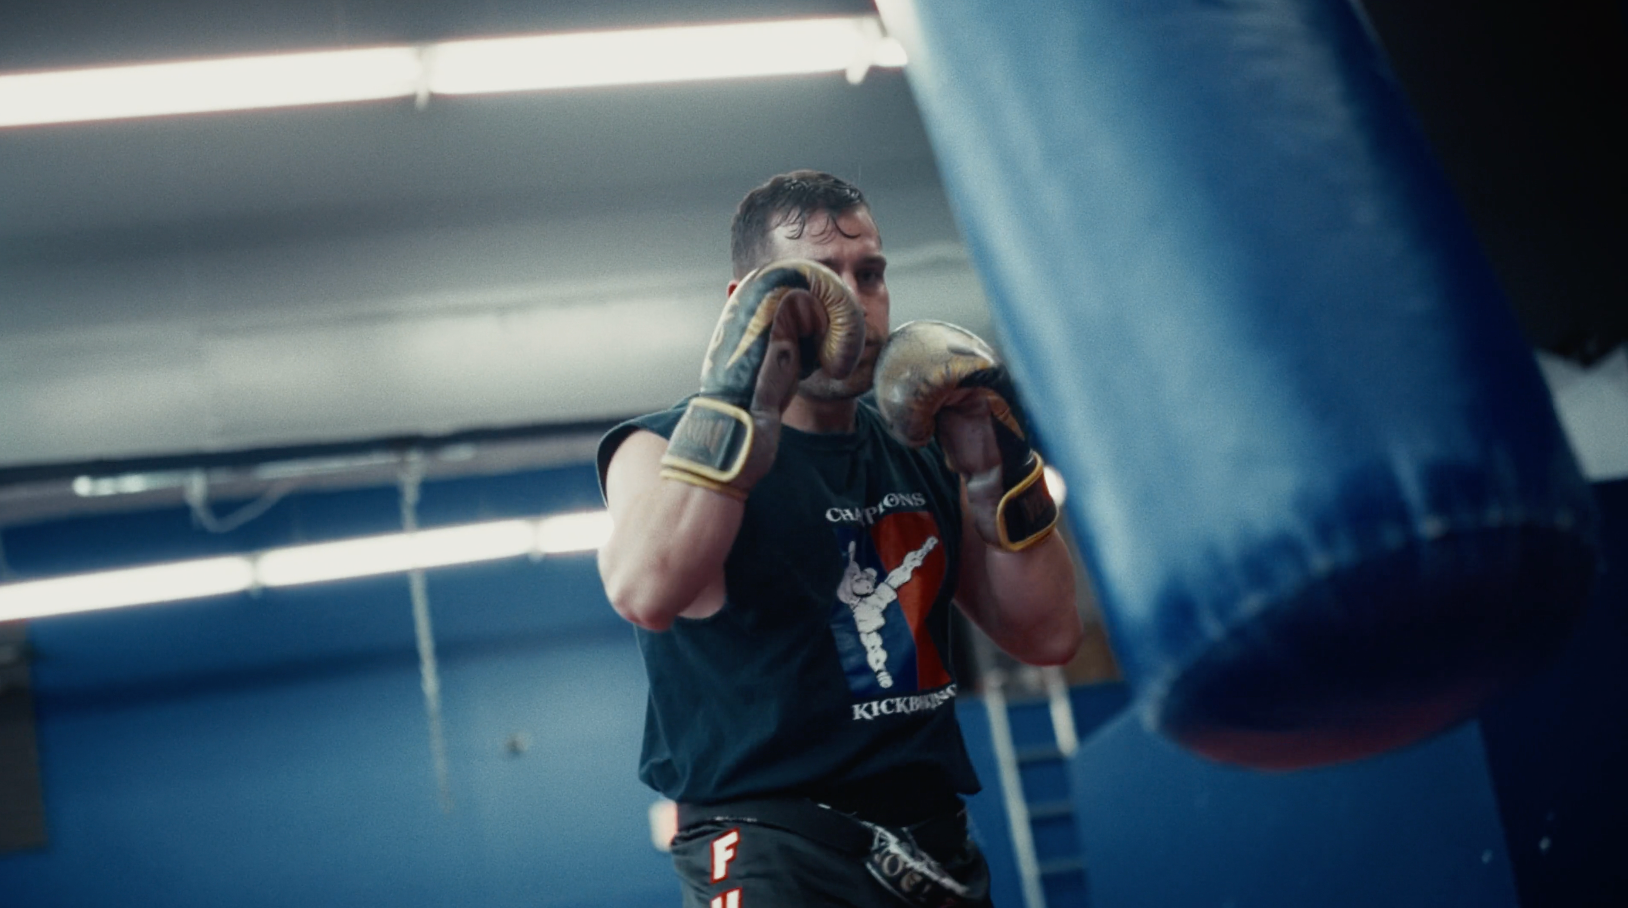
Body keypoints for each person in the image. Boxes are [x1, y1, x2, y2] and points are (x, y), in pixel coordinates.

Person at [596, 170, 1083, 907]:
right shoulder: (661, 448)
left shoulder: (923, 449)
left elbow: (1047, 634)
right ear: (747, 301)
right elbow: (644, 591)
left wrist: (1001, 475)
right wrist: (736, 403)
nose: (853, 301)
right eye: (820, 278)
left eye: (870, 274)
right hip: (769, 846)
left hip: (932, 845)